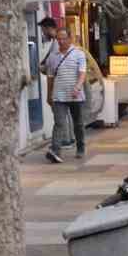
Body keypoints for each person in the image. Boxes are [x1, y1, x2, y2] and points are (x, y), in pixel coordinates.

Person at [45, 30, 87, 163]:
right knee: (59, 123)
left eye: (63, 39)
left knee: (78, 124)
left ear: (70, 38)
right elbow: (50, 78)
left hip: (76, 95)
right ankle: (55, 150)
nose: (61, 42)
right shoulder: (52, 57)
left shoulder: (79, 54)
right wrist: (49, 95)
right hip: (58, 95)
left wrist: (78, 87)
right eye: (58, 39)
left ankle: (80, 147)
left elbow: (82, 73)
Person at [38, 17, 73, 151]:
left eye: (43, 29)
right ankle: (69, 139)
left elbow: (53, 65)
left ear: (48, 28)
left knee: (60, 114)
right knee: (65, 112)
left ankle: (64, 140)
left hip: (59, 84)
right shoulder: (57, 42)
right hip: (64, 83)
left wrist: (43, 68)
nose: (42, 33)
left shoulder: (57, 43)